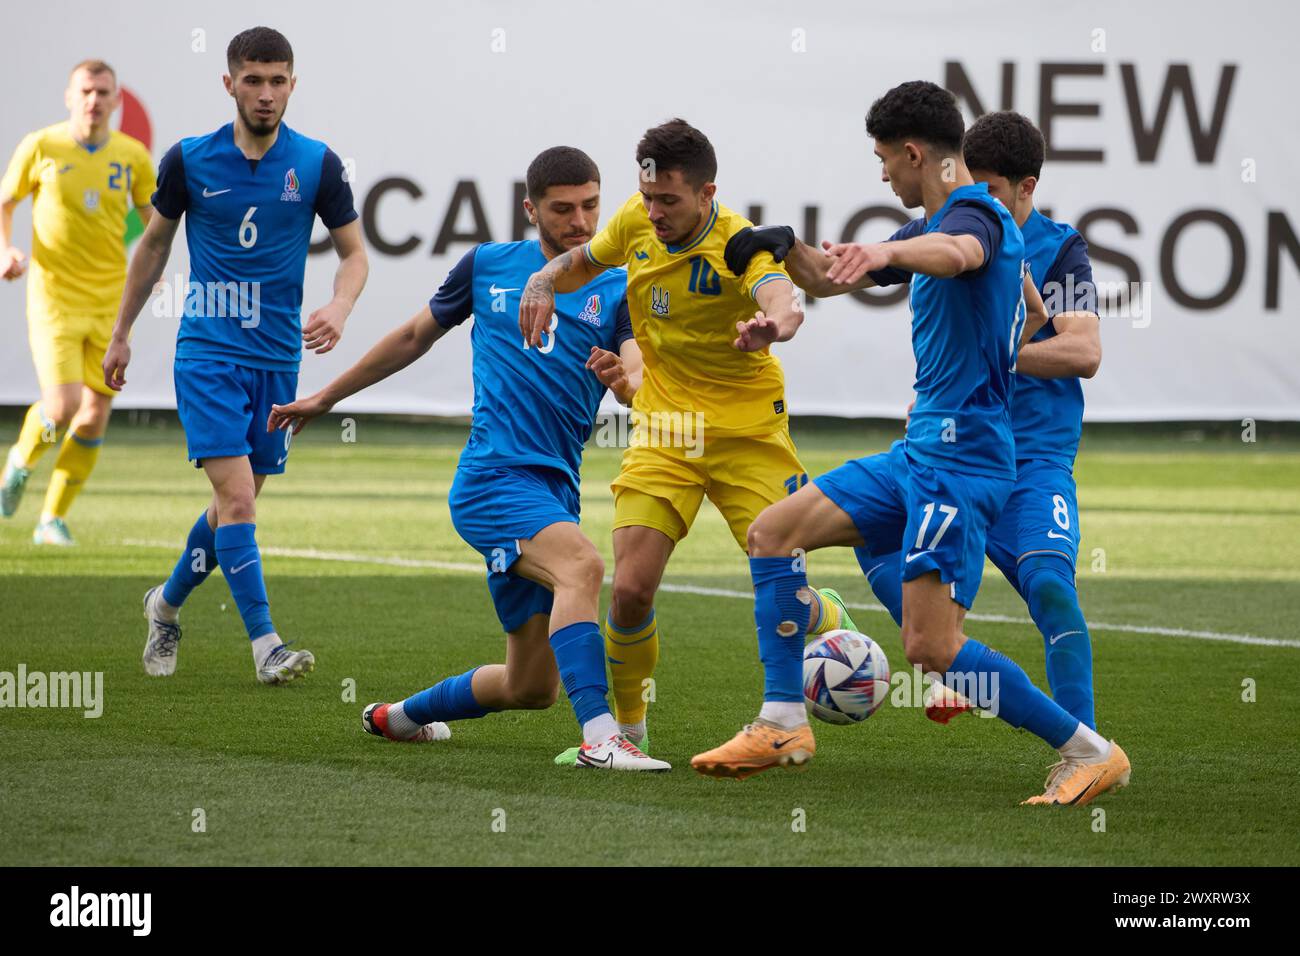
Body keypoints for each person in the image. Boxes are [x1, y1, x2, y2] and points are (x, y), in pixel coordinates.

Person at [698, 81, 1129, 806]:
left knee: (931, 649)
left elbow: (959, 252)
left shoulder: (979, 217)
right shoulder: (930, 224)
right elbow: (828, 277)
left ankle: (1089, 751)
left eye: (883, 161)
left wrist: (879, 252)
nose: (882, 175)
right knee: (773, 532)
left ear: (913, 152)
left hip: (965, 464)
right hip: (918, 451)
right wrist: (779, 249)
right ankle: (781, 721)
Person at [270, 146, 668, 771]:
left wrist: (628, 381)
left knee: (529, 686)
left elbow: (640, 370)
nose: (581, 222)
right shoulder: (486, 266)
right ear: (530, 208)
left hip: (554, 490)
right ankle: (601, 739)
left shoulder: (618, 285)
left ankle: (396, 718)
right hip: (491, 481)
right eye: (563, 209)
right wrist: (324, 397)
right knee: (584, 567)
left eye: (591, 205)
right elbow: (410, 337)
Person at [521, 119, 856, 765]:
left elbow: (783, 297)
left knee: (780, 578)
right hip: (667, 429)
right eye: (648, 198)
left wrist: (775, 326)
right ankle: (628, 733)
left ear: (707, 193)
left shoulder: (739, 243)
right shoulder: (635, 220)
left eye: (669, 200)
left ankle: (826, 620)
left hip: (747, 432)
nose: (655, 213)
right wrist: (543, 279)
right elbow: (581, 263)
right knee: (630, 589)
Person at [103, 27, 368, 684]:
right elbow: (155, 249)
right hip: (209, 354)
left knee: (231, 509)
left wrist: (339, 307)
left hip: (278, 361)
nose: (267, 93)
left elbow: (356, 253)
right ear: (229, 84)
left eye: (278, 80)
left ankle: (164, 606)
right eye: (253, 80)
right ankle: (266, 647)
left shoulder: (317, 164)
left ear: (293, 84)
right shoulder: (190, 159)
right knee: (240, 500)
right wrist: (121, 332)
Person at [0, 60, 156, 544]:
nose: (94, 100)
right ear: (70, 96)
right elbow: (6, 202)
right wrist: (5, 249)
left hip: (111, 302)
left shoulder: (132, 156)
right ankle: (20, 462)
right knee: (64, 405)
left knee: (94, 413)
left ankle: (52, 519)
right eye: (86, 90)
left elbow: (154, 220)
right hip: (54, 298)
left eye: (103, 92)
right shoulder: (41, 145)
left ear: (116, 101)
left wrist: (157, 264)